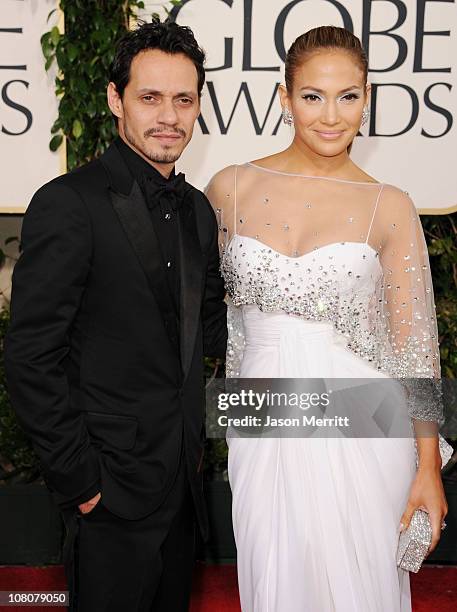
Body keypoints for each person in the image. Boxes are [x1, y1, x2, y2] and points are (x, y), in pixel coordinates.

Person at [206, 26, 449, 611]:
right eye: (313, 96)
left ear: (368, 99)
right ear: (285, 98)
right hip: (261, 420)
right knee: (274, 578)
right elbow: (189, 318)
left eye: (348, 96)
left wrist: (428, 468)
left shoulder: (388, 204)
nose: (331, 115)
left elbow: (416, 349)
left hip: (366, 424)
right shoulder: (228, 189)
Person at [4, 18, 227, 612]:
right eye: (150, 98)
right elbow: (30, 359)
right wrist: (81, 483)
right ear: (115, 99)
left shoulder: (199, 210)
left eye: (183, 100)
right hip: (108, 494)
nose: (169, 117)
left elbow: (206, 336)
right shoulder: (68, 203)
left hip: (183, 491)